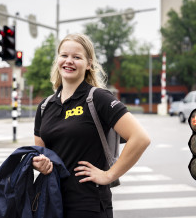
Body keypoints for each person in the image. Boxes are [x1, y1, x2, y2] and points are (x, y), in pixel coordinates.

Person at [33, 33, 150, 218]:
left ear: (88, 64)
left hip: (89, 205)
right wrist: (39, 164)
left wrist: (109, 175)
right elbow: (41, 153)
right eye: (64, 55)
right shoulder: (45, 106)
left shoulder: (98, 98)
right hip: (52, 203)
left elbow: (140, 138)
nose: (68, 61)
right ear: (57, 60)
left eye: (76, 57)